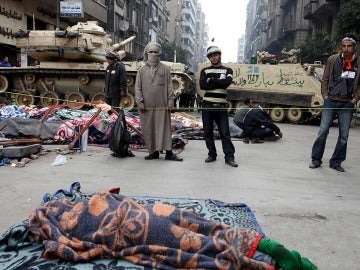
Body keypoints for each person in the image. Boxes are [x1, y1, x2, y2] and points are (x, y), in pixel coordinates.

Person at [28, 191, 317, 270]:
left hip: (132, 227)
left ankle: (264, 261)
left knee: (196, 245)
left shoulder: (61, 227)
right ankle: (265, 247)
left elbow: (64, 248)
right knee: (204, 225)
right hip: (146, 214)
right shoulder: (85, 203)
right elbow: (114, 198)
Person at [309, 35, 360, 172]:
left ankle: (336, 162)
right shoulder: (333, 59)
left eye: (349, 46)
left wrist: (355, 99)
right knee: (323, 132)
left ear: (354, 47)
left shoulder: (358, 62)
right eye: (344, 46)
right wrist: (325, 95)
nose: (346, 49)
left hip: (347, 104)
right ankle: (316, 159)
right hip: (330, 100)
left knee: (344, 135)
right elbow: (325, 78)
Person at [135, 42, 183, 161]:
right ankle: (153, 152)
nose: (153, 54)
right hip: (146, 106)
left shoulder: (165, 69)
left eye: (156, 52)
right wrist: (140, 102)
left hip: (162, 105)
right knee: (149, 128)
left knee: (164, 129)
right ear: (147, 53)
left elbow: (169, 86)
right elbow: (137, 87)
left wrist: (171, 101)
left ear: (159, 53)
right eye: (151, 52)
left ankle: (169, 153)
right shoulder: (141, 70)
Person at [199, 45, 238, 167]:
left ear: (220, 55)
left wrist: (211, 81)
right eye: (211, 56)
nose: (214, 58)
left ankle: (229, 157)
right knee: (208, 132)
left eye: (215, 55)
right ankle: (212, 154)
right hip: (207, 106)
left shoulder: (228, 70)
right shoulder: (204, 71)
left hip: (221, 106)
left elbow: (226, 83)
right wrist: (219, 83)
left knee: (225, 132)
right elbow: (203, 86)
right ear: (209, 58)